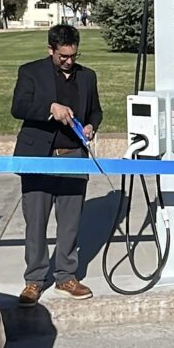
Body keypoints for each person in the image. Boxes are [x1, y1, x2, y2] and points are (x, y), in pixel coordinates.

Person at [11, 24, 103, 307]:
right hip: (39, 157)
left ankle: (66, 275)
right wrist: (50, 108)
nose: (69, 61)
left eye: (73, 55)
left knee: (70, 222)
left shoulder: (87, 77)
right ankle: (34, 280)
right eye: (63, 56)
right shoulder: (30, 72)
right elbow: (18, 107)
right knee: (36, 222)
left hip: (73, 156)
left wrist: (91, 125)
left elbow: (97, 110)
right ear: (50, 49)